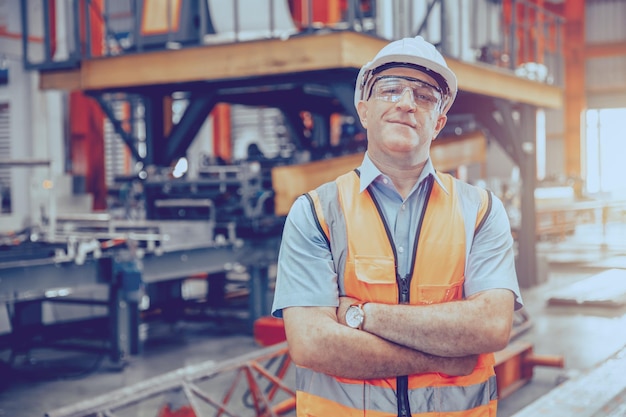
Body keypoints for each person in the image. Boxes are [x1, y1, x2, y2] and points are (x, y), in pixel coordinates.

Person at [271, 36, 523, 417]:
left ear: (438, 122)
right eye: (390, 90)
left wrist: (361, 315)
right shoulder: (316, 212)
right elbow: (312, 344)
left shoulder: (482, 212)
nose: (407, 103)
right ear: (364, 111)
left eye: (424, 96)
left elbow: (489, 327)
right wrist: (447, 356)